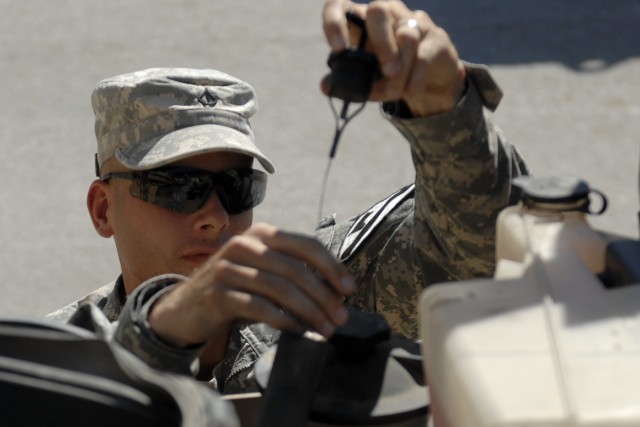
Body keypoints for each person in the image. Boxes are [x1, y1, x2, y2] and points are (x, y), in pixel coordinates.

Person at [47, 0, 528, 393]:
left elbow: (482, 256)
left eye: (237, 188)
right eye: (179, 188)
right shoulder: (54, 357)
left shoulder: (310, 296)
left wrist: (445, 114)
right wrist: (165, 333)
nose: (214, 217)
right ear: (103, 209)